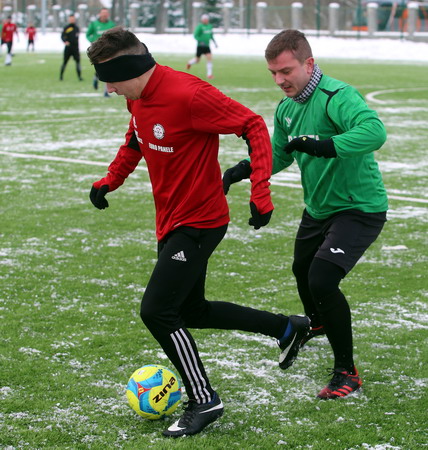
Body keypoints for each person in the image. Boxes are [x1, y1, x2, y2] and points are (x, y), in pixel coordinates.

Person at [87, 27, 310, 438]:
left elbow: (252, 125)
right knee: (192, 311)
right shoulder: (138, 97)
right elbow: (136, 138)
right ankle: (286, 328)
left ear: (130, 69)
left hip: (201, 221)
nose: (111, 89)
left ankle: (205, 399)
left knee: (157, 310)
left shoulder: (189, 94)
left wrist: (260, 191)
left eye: (111, 80)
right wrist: (110, 179)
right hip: (170, 219)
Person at [223, 29, 388, 400]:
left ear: (308, 64)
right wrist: (244, 169)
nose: (279, 80)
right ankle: (318, 322)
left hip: (358, 207)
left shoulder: (336, 96)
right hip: (318, 208)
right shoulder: (286, 109)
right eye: (273, 73)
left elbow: (375, 132)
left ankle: (347, 372)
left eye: (286, 71)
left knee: (322, 280)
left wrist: (326, 145)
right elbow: (280, 154)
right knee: (302, 269)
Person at [86, 8, 115, 96]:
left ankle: (106, 91)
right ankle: (96, 77)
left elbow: (116, 35)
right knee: (101, 68)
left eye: (106, 13)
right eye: (103, 13)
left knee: (108, 69)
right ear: (100, 14)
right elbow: (88, 34)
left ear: (108, 15)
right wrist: (93, 41)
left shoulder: (111, 24)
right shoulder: (94, 24)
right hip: (98, 50)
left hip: (109, 50)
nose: (104, 15)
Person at [186, 14, 217, 79]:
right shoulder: (200, 26)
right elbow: (195, 35)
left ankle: (209, 75)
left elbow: (211, 35)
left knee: (209, 58)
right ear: (202, 20)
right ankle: (189, 63)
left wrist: (215, 43)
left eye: (206, 19)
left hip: (207, 46)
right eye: (204, 19)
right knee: (197, 60)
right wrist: (200, 41)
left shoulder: (210, 26)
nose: (205, 20)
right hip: (200, 46)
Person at [59, 14, 82, 81]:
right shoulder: (66, 28)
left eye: (73, 19)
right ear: (69, 20)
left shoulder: (77, 28)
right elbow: (62, 36)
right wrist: (65, 41)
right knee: (65, 62)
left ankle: (79, 77)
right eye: (71, 19)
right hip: (68, 48)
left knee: (78, 62)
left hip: (75, 48)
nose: (72, 20)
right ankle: (61, 76)